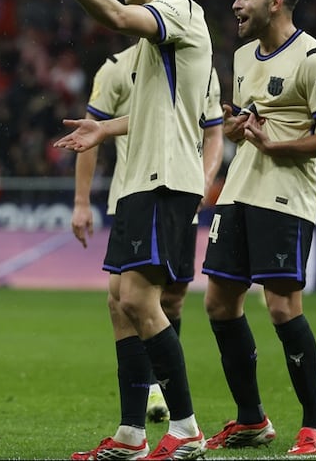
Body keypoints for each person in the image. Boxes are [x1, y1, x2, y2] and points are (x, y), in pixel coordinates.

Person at [28, 0, 213, 461]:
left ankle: (185, 429)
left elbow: (111, 14)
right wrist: (106, 130)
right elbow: (162, 110)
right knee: (119, 303)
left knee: (138, 299)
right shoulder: (151, 48)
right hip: (141, 181)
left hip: (165, 178)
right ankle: (132, 435)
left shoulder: (180, 11)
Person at [201, 0, 316, 456]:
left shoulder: (315, 60)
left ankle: (315, 425)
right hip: (239, 190)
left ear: (276, 2)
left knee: (283, 307)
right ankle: (251, 420)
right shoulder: (243, 57)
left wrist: (277, 145)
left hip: (285, 196)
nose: (237, 4)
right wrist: (237, 127)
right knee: (219, 303)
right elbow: (245, 124)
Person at [70, 42, 224, 444]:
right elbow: (92, 131)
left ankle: (170, 416)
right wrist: (81, 200)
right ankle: (140, 420)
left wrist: (202, 184)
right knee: (126, 300)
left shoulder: (195, 62)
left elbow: (213, 133)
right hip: (133, 195)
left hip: (173, 194)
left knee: (166, 300)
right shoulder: (117, 67)